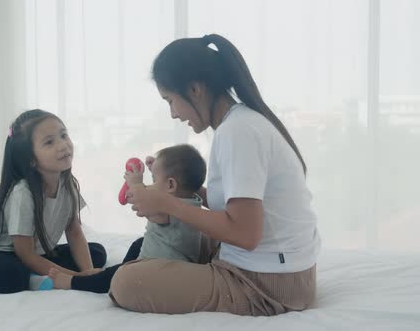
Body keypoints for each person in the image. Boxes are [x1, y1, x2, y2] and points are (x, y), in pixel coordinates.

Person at [109, 34, 321, 316]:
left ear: (195, 89)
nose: (173, 113)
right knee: (173, 236)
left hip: (264, 284)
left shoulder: (237, 132)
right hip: (283, 271)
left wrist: (167, 204)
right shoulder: (244, 122)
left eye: (170, 100)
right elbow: (242, 207)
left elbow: (246, 234)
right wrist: (182, 192)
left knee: (125, 282)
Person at [0, 109, 106, 294]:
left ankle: (39, 277)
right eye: (49, 142)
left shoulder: (68, 183)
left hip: (34, 253)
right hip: (0, 254)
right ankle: (34, 279)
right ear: (31, 159)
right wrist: (75, 278)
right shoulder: (22, 194)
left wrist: (88, 273)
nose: (63, 145)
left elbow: (75, 232)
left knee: (97, 253)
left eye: (63, 135)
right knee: (5, 276)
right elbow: (25, 253)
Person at [48, 144, 207, 293]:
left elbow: (143, 202)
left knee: (112, 277)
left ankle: (71, 282)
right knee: (139, 243)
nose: (149, 185)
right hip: (172, 263)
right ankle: (124, 266)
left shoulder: (168, 209)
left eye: (154, 180)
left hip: (162, 271)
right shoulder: (190, 202)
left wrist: (136, 184)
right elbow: (159, 192)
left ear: (171, 185)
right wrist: (157, 169)